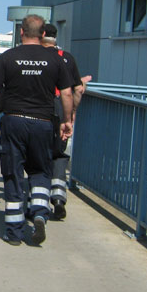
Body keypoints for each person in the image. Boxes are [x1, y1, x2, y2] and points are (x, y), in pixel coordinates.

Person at [0, 14, 73, 246]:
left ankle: (14, 231)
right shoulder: (55, 59)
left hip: (14, 120)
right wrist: (67, 120)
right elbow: (67, 93)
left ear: (21, 32)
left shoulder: (7, 57)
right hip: (43, 122)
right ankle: (39, 213)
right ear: (43, 34)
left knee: (13, 172)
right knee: (40, 169)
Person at [40, 23, 86, 220]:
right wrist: (72, 113)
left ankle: (38, 200)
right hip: (60, 110)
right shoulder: (67, 58)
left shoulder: (35, 56)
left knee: (39, 154)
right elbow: (78, 89)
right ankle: (58, 197)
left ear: (41, 35)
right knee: (59, 154)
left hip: (39, 110)